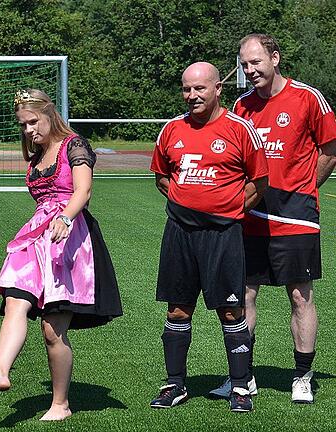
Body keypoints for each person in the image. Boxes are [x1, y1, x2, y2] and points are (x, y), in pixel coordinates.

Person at [0, 89, 122, 421]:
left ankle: (60, 404)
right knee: (14, 299)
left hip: (70, 237)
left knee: (52, 329)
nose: (28, 131)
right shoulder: (35, 157)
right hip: (36, 238)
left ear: (49, 114)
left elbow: (83, 189)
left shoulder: (74, 145)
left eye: (32, 122)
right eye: (22, 125)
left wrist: (65, 217)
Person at [208, 34, 336, 404]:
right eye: (244, 65)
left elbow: (330, 147)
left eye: (256, 63)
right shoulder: (241, 105)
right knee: (244, 293)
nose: (250, 71)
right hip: (251, 214)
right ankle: (243, 376)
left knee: (299, 295)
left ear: (275, 58)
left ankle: (302, 375)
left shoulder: (307, 98)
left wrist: (307, 186)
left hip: (296, 214)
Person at [149, 62, 268, 412]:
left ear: (218, 89)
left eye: (200, 88)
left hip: (223, 236)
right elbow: (161, 177)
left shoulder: (240, 129)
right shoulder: (171, 130)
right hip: (180, 233)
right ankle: (174, 384)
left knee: (231, 312)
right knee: (178, 309)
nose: (192, 95)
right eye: (187, 89)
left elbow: (259, 182)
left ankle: (242, 387)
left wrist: (229, 210)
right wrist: (187, 205)